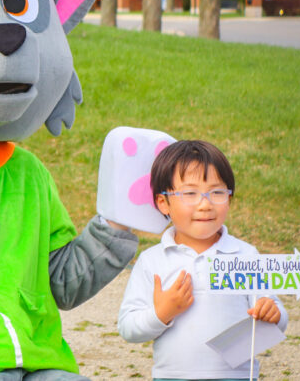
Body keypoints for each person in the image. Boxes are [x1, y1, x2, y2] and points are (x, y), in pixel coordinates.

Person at [118, 140, 288, 380]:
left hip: (236, 377)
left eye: (217, 192)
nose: (206, 204)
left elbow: (277, 316)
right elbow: (127, 327)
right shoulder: (152, 261)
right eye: (190, 193)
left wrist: (274, 314)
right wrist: (162, 312)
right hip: (172, 377)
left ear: (230, 197)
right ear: (163, 202)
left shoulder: (245, 255)